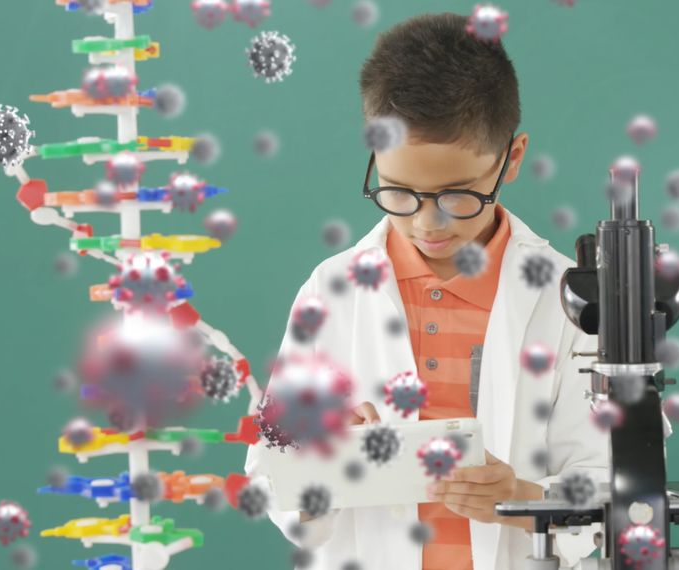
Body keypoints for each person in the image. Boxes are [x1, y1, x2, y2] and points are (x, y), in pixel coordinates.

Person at [244, 12, 608, 570]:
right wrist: (326, 459)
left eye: (457, 196)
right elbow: (271, 482)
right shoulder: (333, 292)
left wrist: (525, 501)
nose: (427, 224)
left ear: (511, 158)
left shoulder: (570, 304)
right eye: (398, 192)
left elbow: (613, 486)